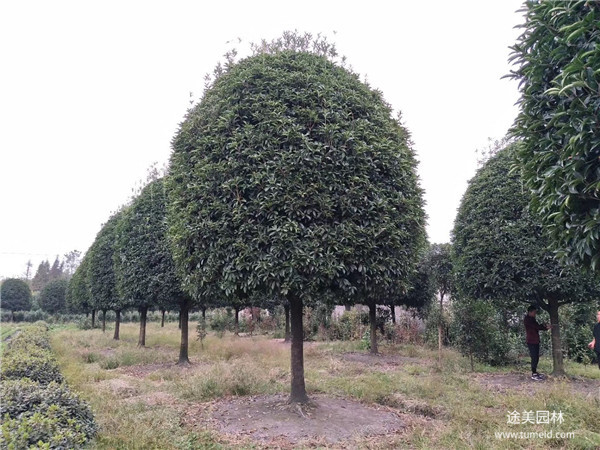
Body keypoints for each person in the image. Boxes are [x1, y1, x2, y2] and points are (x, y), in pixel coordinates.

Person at [524, 305, 550, 380]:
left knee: (536, 357)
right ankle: (533, 374)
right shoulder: (527, 319)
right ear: (530, 312)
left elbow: (537, 326)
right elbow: (536, 326)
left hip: (535, 340)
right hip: (531, 341)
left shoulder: (532, 318)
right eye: (534, 312)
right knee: (534, 357)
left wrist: (544, 326)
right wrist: (545, 327)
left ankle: (535, 372)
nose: (535, 314)